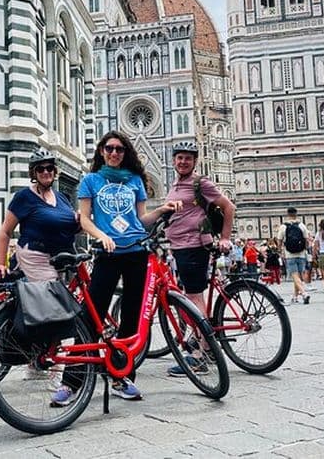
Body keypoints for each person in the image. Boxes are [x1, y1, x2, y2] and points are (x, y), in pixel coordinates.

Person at [52, 131, 178, 406]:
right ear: (101, 151)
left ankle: (122, 376)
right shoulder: (91, 180)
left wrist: (162, 210)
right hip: (107, 254)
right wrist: (101, 236)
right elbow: (84, 219)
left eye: (120, 149)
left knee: (131, 317)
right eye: (109, 148)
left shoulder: (134, 181)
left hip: (136, 251)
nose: (114, 153)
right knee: (91, 317)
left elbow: (142, 218)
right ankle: (71, 382)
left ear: (126, 153)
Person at [161, 141, 235, 377]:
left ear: (195, 161)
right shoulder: (175, 184)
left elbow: (228, 206)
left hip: (193, 246)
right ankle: (209, 348)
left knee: (194, 300)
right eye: (179, 157)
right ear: (173, 160)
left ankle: (199, 357)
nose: (183, 161)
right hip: (179, 247)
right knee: (197, 298)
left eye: (188, 158)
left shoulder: (199, 183)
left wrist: (225, 238)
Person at [0, 148, 80, 284]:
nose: (46, 172)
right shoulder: (24, 197)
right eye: (40, 169)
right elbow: (5, 231)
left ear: (54, 171)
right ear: (34, 173)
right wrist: (1, 264)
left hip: (59, 257)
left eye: (49, 168)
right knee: (52, 298)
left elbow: (71, 227)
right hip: (35, 256)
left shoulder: (62, 198)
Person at [276, 207, 310, 304]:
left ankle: (304, 293)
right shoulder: (302, 225)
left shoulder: (284, 226)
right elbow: (307, 240)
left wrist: (280, 250)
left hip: (290, 254)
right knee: (299, 276)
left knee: (295, 275)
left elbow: (279, 240)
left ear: (287, 214)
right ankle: (295, 297)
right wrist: (305, 249)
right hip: (301, 254)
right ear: (296, 214)